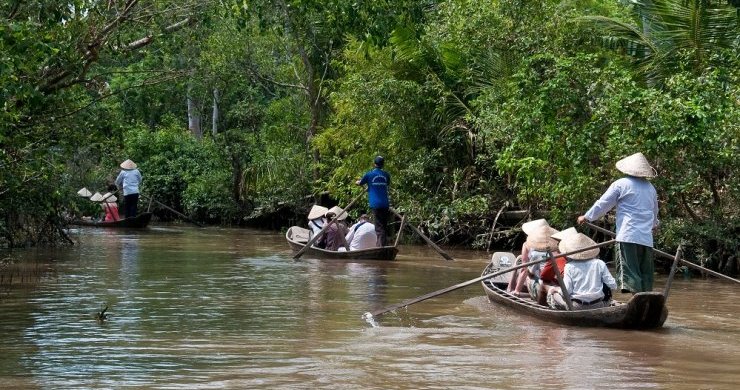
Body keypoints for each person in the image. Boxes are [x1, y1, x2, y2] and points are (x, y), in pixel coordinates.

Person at [577, 152, 658, 293]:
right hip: (646, 238)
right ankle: (646, 300)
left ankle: (637, 301)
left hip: (628, 235)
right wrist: (654, 225)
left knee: (630, 273)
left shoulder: (621, 184)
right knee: (644, 273)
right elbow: (653, 212)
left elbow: (603, 203)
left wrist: (587, 217)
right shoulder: (651, 188)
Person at [547, 233, 617, 310]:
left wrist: (556, 290)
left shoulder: (569, 266)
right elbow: (613, 285)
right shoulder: (599, 263)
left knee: (553, 295)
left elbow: (567, 291)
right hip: (599, 304)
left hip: (577, 306)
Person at [507, 219, 549, 297]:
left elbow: (524, 270)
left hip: (538, 281)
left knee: (519, 262)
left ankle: (511, 288)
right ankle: (511, 287)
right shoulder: (553, 245)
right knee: (519, 258)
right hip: (550, 280)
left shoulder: (527, 244)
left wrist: (517, 290)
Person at [519, 224, 560, 304]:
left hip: (542, 285)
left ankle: (515, 291)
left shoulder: (535, 254)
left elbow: (531, 274)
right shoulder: (558, 253)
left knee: (528, 276)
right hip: (555, 282)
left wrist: (527, 270)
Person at [356, 156, 391, 247]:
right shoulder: (386, 175)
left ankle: (380, 247)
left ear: (374, 164)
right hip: (385, 204)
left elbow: (360, 183)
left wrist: (357, 182)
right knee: (384, 226)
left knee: (379, 227)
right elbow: (386, 184)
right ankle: (383, 245)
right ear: (383, 164)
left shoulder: (369, 174)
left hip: (376, 204)